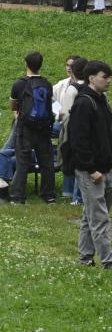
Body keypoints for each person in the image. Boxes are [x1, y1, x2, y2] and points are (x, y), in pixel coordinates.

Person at [66, 60, 112, 267]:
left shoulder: (102, 100)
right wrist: (91, 169)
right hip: (91, 171)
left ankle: (85, 258)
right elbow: (78, 140)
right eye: (105, 77)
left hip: (106, 168)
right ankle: (108, 261)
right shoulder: (84, 103)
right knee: (100, 218)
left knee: (90, 215)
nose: (108, 81)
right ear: (92, 78)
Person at [6, 51, 58, 204]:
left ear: (26, 64)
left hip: (25, 128)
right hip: (44, 128)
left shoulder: (19, 84)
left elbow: (13, 106)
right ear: (40, 65)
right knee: (46, 162)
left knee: (22, 161)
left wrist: (19, 116)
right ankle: (48, 195)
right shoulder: (47, 84)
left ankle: (18, 196)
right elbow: (50, 105)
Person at [56, 56, 88, 205]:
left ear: (74, 71)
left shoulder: (72, 89)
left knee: (71, 160)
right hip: (90, 131)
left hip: (73, 131)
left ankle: (73, 195)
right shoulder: (93, 87)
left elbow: (66, 114)